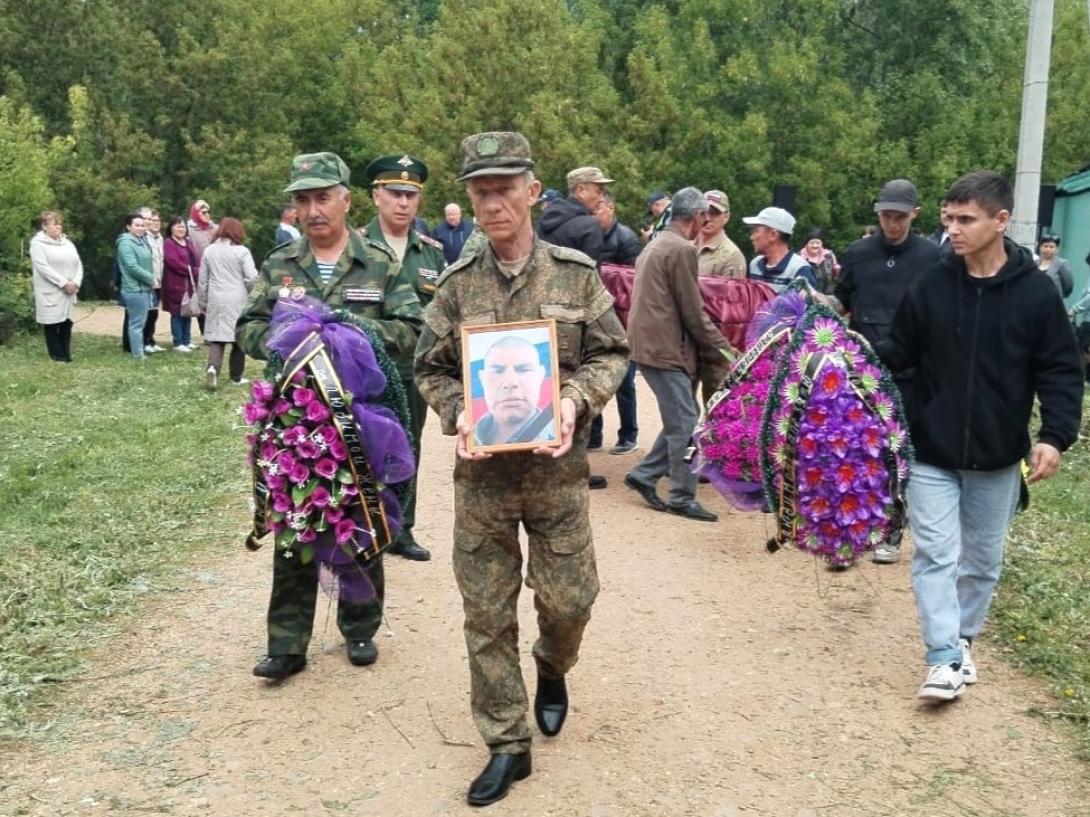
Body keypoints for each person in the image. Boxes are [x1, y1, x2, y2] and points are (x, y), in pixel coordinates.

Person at [414, 131, 628, 807]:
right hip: (482, 485)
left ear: (533, 192)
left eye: (506, 188)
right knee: (486, 613)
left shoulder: (575, 275)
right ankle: (507, 743)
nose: (493, 202)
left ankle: (552, 664)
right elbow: (431, 367)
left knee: (571, 602)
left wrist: (572, 399)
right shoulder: (454, 287)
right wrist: (460, 412)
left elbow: (611, 354)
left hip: (557, 475)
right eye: (480, 191)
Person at [878, 171, 1083, 702]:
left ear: (1000, 220)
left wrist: (1054, 436)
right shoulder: (931, 283)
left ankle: (963, 638)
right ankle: (943, 656)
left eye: (965, 219)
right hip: (932, 451)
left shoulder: (1036, 294)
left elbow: (1060, 371)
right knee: (936, 555)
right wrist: (840, 363)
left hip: (997, 456)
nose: (954, 229)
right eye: (948, 219)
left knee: (982, 563)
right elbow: (895, 354)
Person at [237, 151, 422, 681]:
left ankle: (360, 627)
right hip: (295, 421)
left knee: (359, 516)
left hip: (359, 419)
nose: (314, 210)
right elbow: (248, 327)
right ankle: (287, 643)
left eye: (323, 198)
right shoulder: (279, 264)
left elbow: (412, 328)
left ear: (346, 199)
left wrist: (348, 334)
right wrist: (286, 338)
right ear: (293, 207)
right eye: (303, 200)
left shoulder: (380, 263)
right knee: (296, 521)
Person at [835, 179, 939, 564]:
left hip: (911, 374)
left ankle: (891, 528)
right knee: (853, 452)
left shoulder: (933, 257)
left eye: (899, 217)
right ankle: (848, 532)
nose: (892, 224)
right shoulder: (859, 253)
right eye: (885, 216)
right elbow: (840, 300)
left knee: (895, 454)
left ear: (915, 213)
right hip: (860, 371)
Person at [625, 187, 733, 522]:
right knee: (687, 423)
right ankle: (682, 496)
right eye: (706, 214)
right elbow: (693, 312)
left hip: (649, 345)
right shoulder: (682, 249)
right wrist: (726, 350)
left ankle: (644, 474)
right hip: (663, 349)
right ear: (698, 216)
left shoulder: (657, 243)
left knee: (681, 417)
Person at [360, 153, 445, 562]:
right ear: (376, 195)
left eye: (411, 195)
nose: (404, 203)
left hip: (411, 372)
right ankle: (360, 525)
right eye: (395, 193)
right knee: (359, 449)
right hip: (363, 374)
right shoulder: (355, 248)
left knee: (407, 450)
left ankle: (400, 529)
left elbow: (444, 314)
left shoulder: (431, 254)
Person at [536, 165, 614, 486]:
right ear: (580, 190)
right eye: (597, 188)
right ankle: (576, 464)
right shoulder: (587, 227)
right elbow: (591, 281)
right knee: (578, 388)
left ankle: (538, 449)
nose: (601, 195)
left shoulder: (543, 221)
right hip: (576, 319)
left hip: (540, 313)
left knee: (545, 382)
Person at [591, 192, 640, 454]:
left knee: (625, 381)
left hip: (622, 318)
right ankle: (594, 433)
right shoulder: (589, 235)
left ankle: (628, 435)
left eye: (598, 207)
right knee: (594, 376)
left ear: (611, 207)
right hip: (597, 317)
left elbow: (632, 284)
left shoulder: (626, 238)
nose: (594, 213)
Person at [198, 217, 256, 389]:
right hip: (237, 298)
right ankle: (236, 376)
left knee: (217, 337)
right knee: (238, 337)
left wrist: (203, 301)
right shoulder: (242, 251)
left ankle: (212, 369)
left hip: (216, 297)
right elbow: (252, 277)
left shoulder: (209, 250)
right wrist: (252, 294)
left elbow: (203, 279)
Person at [473, 335, 556, 445]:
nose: (510, 382)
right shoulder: (470, 437)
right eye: (497, 371)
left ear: (541, 375)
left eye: (524, 369)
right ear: (482, 378)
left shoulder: (556, 433)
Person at [29, 211, 83, 363]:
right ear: (44, 226)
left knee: (67, 323)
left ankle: (66, 354)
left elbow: (78, 264)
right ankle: (57, 356)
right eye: (54, 224)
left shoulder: (68, 243)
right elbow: (43, 267)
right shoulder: (37, 244)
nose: (58, 227)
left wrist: (75, 282)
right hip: (51, 290)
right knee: (52, 324)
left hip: (70, 290)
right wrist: (64, 283)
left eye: (60, 224)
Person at [743, 207, 817, 293]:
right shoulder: (754, 265)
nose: (752, 237)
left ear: (773, 235)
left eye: (756, 231)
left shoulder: (800, 270)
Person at [116, 212, 156, 361]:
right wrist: (150, 279)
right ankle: (138, 354)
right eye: (137, 225)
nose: (141, 228)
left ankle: (138, 351)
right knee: (136, 323)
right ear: (128, 227)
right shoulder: (125, 243)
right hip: (134, 289)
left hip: (143, 288)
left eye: (142, 225)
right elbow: (132, 266)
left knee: (140, 322)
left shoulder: (141, 241)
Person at [161, 216, 200, 351]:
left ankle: (187, 340)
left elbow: (196, 259)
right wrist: (192, 270)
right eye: (177, 226)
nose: (181, 229)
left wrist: (197, 270)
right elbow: (174, 263)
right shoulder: (169, 243)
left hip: (190, 284)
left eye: (183, 226)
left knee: (187, 312)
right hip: (175, 284)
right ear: (171, 228)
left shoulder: (188, 243)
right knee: (177, 313)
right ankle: (178, 342)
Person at [696, 189, 746, 279]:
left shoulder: (732, 256)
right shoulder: (684, 243)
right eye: (704, 212)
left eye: (714, 213)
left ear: (726, 217)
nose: (707, 218)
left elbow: (732, 292)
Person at [139, 208, 165, 354]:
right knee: (147, 313)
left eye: (157, 220)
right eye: (151, 220)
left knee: (154, 312)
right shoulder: (143, 237)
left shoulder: (160, 238)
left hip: (159, 280)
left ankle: (151, 339)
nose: (154, 223)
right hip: (148, 280)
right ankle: (144, 341)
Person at [798, 227, 840, 296]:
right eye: (812, 243)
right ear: (806, 244)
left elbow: (836, 277)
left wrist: (838, 271)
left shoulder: (829, 256)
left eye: (817, 243)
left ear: (822, 244)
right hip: (806, 299)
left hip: (827, 298)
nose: (815, 245)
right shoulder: (799, 258)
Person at [1037, 234, 1074, 298]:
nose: (1048, 249)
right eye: (1045, 246)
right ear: (1040, 247)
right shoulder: (1035, 263)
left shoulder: (1062, 264)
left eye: (1051, 247)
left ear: (1057, 249)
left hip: (1053, 303)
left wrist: (1059, 297)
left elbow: (1068, 286)